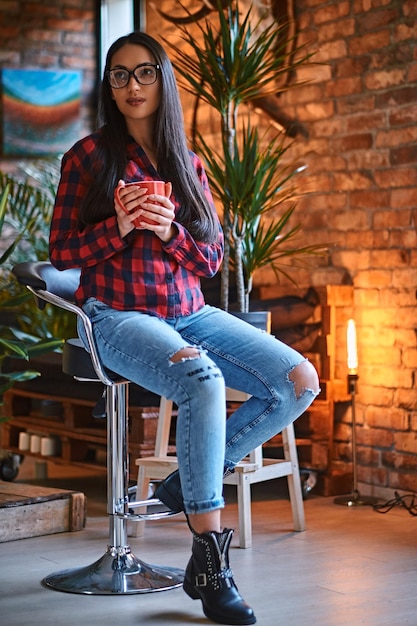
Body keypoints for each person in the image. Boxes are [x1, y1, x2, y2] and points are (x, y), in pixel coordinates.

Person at [49, 31, 320, 626]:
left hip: (189, 311)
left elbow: (212, 260)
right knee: (202, 380)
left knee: (299, 380)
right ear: (109, 87)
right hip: (118, 315)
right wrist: (118, 227)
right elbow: (63, 253)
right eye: (119, 75)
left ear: (162, 80)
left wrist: (171, 231)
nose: (132, 86)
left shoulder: (189, 164)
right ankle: (209, 562)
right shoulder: (87, 158)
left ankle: (183, 485)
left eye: (144, 72)